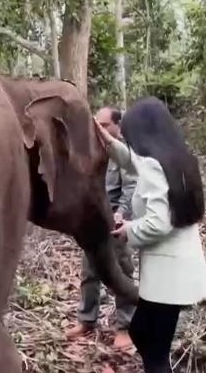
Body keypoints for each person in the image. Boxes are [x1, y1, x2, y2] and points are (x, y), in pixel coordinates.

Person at [93, 97, 206, 373]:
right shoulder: (177, 159)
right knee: (143, 334)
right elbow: (134, 162)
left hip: (167, 276)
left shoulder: (155, 165)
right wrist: (108, 142)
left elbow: (159, 223)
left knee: (154, 350)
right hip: (180, 271)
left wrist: (128, 230)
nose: (128, 140)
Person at [65, 107, 137, 350]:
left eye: (105, 125)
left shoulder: (124, 154)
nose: (99, 129)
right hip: (92, 221)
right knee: (89, 272)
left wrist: (121, 214)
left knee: (122, 271)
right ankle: (87, 320)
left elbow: (131, 187)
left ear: (118, 126)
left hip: (115, 221)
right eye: (97, 123)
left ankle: (125, 326)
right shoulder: (90, 150)